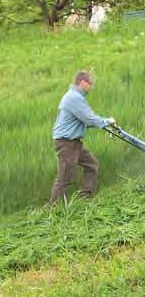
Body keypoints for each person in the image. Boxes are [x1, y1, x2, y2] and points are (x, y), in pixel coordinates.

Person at [50, 71, 115, 205]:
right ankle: (54, 208)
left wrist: (103, 124)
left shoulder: (75, 97)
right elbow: (89, 118)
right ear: (83, 83)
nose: (92, 88)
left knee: (92, 165)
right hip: (66, 143)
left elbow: (83, 121)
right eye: (90, 84)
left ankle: (85, 197)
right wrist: (107, 121)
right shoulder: (74, 98)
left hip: (74, 143)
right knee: (64, 177)